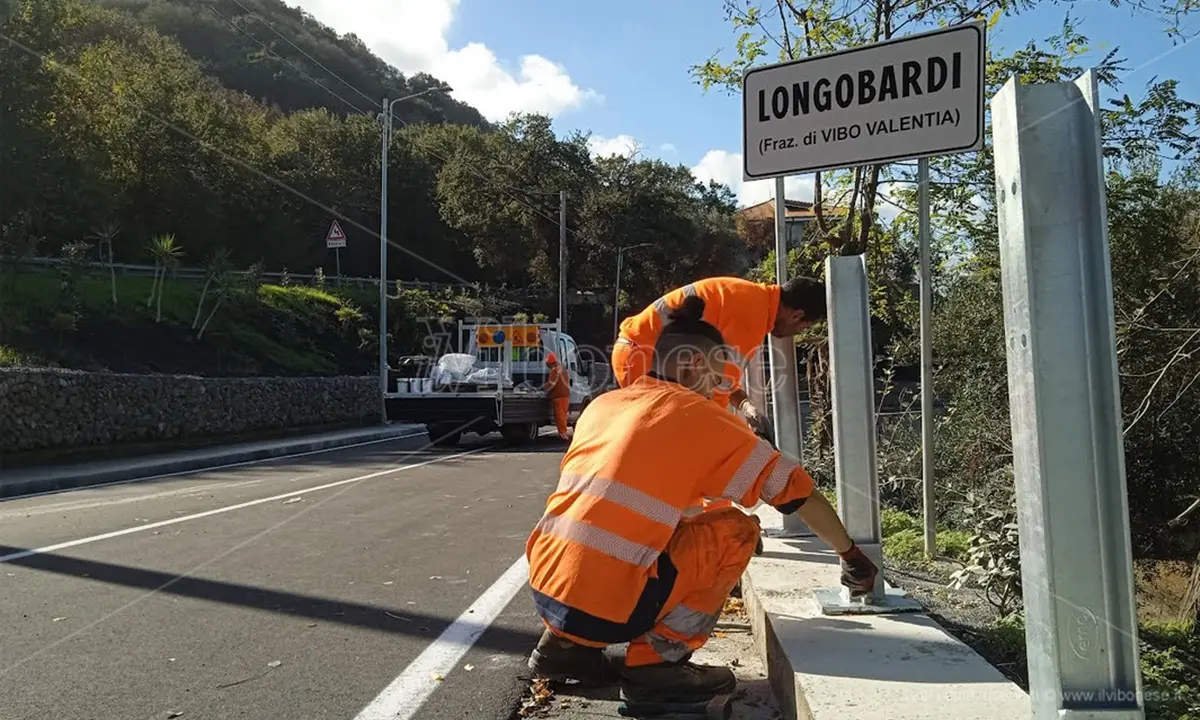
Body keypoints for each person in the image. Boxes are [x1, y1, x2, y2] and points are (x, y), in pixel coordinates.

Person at [526, 296, 877, 704]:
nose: (720, 389)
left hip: (546, 586)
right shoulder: (702, 418)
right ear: (694, 365)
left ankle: (561, 648)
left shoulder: (605, 404)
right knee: (737, 532)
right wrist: (851, 555)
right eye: (718, 377)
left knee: (635, 530)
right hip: (604, 606)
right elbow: (797, 493)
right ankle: (656, 667)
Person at [611, 276, 826, 436]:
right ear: (797, 315)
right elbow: (717, 396)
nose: (797, 333)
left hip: (636, 353)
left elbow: (719, 379)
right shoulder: (753, 318)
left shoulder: (753, 298)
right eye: (803, 327)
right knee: (687, 438)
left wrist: (745, 405)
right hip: (642, 358)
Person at [544, 352, 570, 441]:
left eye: (547, 363)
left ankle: (563, 433)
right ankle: (563, 432)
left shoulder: (555, 370)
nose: (547, 365)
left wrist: (544, 389)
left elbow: (552, 384)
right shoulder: (561, 368)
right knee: (563, 415)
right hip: (564, 395)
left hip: (559, 396)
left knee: (560, 416)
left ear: (550, 362)